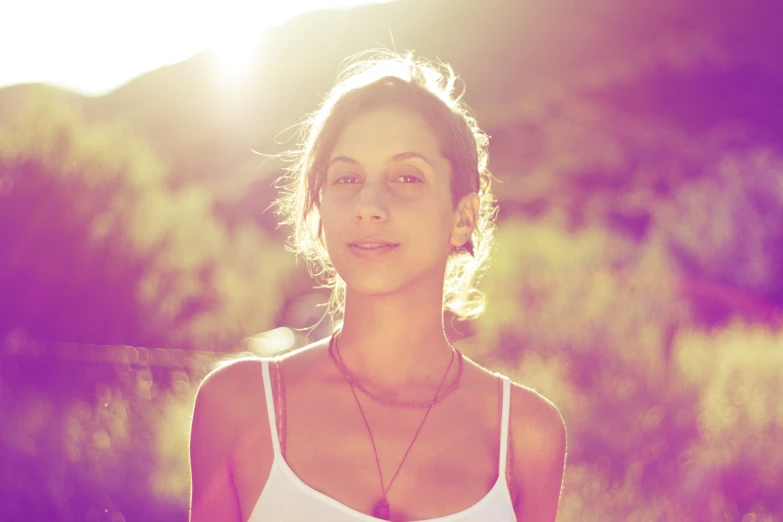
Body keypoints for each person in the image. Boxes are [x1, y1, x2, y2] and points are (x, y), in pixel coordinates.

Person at [188, 51, 566, 522]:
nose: (368, 205)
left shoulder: (526, 438)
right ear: (320, 212)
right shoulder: (238, 406)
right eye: (346, 178)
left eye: (407, 176)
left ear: (462, 218)